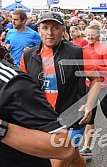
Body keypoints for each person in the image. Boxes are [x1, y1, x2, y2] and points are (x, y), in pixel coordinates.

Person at [20, 12, 100, 167]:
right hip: (44, 118)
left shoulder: (77, 53)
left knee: (58, 161)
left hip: (73, 116)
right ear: (39, 30)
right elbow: (24, 87)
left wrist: (89, 104)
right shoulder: (28, 56)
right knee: (73, 155)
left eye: (55, 28)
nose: (49, 33)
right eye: (45, 28)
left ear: (63, 30)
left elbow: (96, 79)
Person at [0, 58, 75, 167]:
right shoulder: (29, 54)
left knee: (74, 155)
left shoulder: (11, 82)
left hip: (64, 111)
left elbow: (64, 147)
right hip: (39, 110)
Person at [79, 25, 107, 156]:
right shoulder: (83, 49)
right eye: (88, 34)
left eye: (93, 35)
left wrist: (94, 67)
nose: (90, 37)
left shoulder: (104, 50)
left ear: (98, 35)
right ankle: (87, 146)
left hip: (104, 86)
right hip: (89, 86)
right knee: (89, 115)